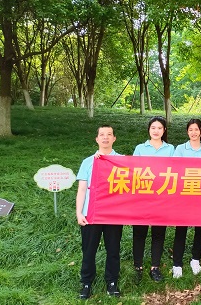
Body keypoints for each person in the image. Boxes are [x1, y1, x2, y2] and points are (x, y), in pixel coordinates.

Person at [76, 125, 123, 300]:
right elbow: (82, 189)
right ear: (96, 139)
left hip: (113, 214)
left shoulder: (122, 161)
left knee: (113, 250)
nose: (105, 137)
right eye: (102, 135)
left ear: (114, 138)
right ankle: (86, 283)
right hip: (91, 214)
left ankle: (112, 282)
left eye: (109, 134)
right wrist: (79, 213)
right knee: (89, 251)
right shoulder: (88, 162)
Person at [132, 116, 175, 282]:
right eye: (153, 128)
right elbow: (132, 170)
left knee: (158, 233)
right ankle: (138, 267)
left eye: (159, 128)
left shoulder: (170, 149)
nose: (156, 131)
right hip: (142, 196)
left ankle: (155, 267)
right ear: (149, 130)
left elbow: (176, 170)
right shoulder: (140, 148)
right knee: (139, 233)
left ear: (164, 131)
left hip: (162, 197)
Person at [171, 118, 201, 278]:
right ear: (187, 132)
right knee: (181, 229)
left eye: (196, 129)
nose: (193, 132)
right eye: (191, 130)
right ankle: (177, 263)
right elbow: (174, 169)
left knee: (200, 229)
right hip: (184, 194)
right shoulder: (180, 149)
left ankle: (195, 259)